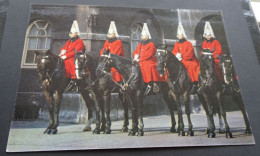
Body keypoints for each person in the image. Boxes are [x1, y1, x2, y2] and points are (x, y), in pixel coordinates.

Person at [132, 23, 166, 95]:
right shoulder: (140, 44)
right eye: (141, 35)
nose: (141, 36)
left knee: (148, 66)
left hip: (150, 61)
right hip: (140, 60)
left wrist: (140, 58)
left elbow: (149, 54)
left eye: (143, 35)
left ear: (147, 36)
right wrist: (135, 56)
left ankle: (151, 83)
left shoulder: (151, 44)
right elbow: (135, 51)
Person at [172, 22, 200, 94]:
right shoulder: (177, 44)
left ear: (183, 35)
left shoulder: (188, 43)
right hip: (179, 60)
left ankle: (194, 82)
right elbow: (174, 52)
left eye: (180, 35)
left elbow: (190, 53)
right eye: (178, 35)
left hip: (189, 60)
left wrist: (182, 56)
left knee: (190, 66)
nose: (179, 36)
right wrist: (176, 55)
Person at [199, 21, 226, 92]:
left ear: (211, 35)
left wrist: (211, 56)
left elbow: (219, 51)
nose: (208, 37)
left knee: (217, 68)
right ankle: (201, 84)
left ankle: (222, 83)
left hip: (215, 59)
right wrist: (203, 56)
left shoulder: (216, 42)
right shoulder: (204, 42)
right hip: (206, 60)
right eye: (207, 35)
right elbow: (202, 51)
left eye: (209, 35)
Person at [59, 20, 85, 89]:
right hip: (67, 56)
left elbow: (76, 51)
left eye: (72, 33)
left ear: (76, 33)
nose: (71, 34)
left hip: (76, 57)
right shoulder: (69, 41)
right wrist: (62, 52)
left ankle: (73, 79)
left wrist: (66, 56)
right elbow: (64, 48)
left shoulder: (79, 41)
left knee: (69, 63)